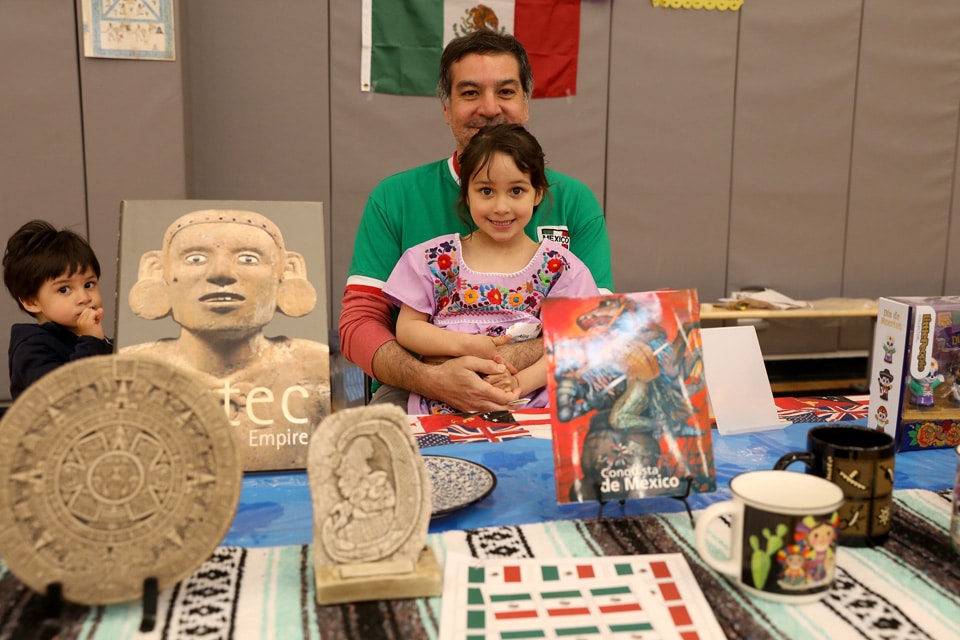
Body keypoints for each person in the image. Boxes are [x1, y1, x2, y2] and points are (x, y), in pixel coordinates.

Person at [339, 29, 614, 413]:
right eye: (470, 93)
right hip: (414, 386)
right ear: (446, 108)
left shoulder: (574, 201)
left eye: (505, 91)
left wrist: (503, 367)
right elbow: (359, 323)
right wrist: (432, 377)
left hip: (540, 383)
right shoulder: (395, 198)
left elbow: (592, 329)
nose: (489, 108)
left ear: (526, 103)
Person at [383, 124, 599, 414]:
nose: (501, 207)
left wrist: (518, 383)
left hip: (530, 407)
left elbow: (574, 344)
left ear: (538, 193)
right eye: (486, 191)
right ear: (466, 194)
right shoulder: (434, 259)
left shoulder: (561, 268)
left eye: (516, 191)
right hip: (442, 405)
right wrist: (466, 346)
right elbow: (408, 329)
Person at [122, 209, 330, 471]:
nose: (221, 273)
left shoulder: (315, 367)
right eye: (195, 258)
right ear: (157, 271)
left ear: (286, 272)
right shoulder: (128, 373)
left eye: (248, 258)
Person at [3, 220, 113, 400]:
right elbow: (63, 396)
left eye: (89, 284)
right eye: (64, 289)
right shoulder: (31, 348)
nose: (84, 297)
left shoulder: (91, 337)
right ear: (31, 301)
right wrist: (91, 341)